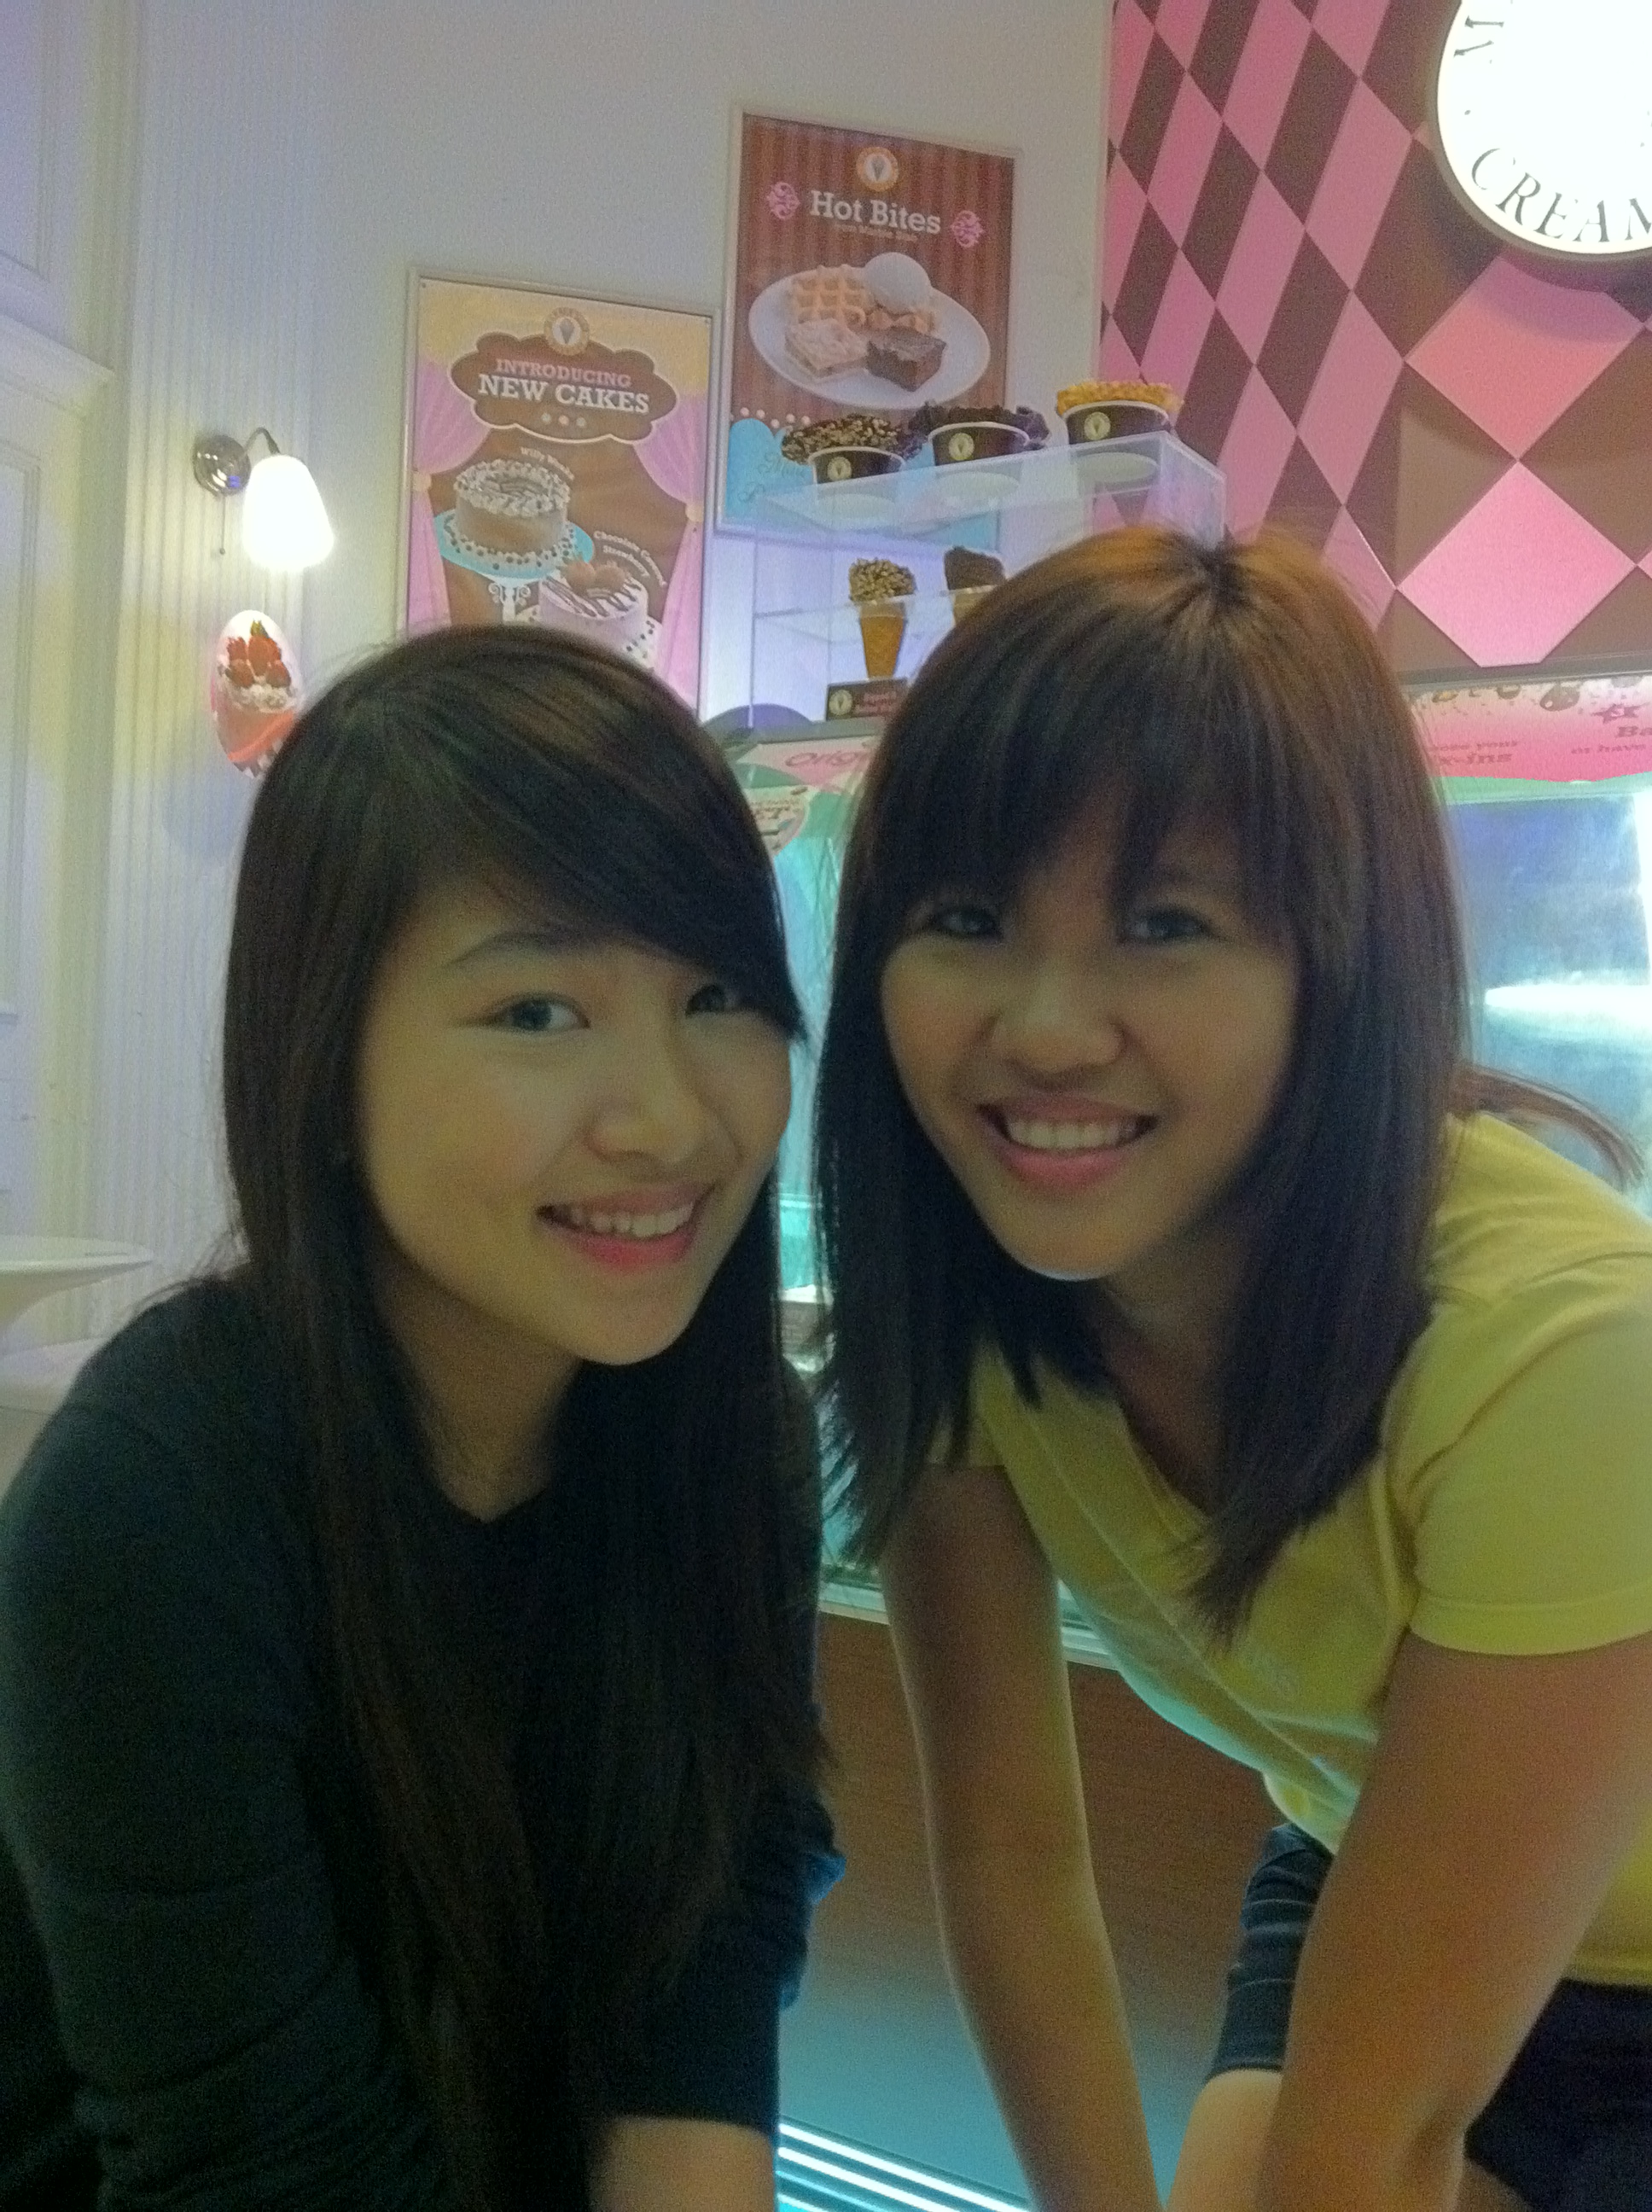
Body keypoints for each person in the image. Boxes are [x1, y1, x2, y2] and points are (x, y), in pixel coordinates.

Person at [812, 527, 1652, 2212]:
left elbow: (1383, 2139)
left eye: (1164, 923)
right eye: (967, 918)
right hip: (1366, 1867)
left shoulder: (1563, 1359)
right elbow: (1009, 1853)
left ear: (1333, 965)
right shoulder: (965, 1308)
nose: (1047, 1030)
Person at [0, 625, 840, 2212]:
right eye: (537, 1013)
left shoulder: (735, 1442)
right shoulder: (157, 1501)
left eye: (719, 993)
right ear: (323, 1064)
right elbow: (264, 2170)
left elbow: (707, 1967)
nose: (668, 1118)